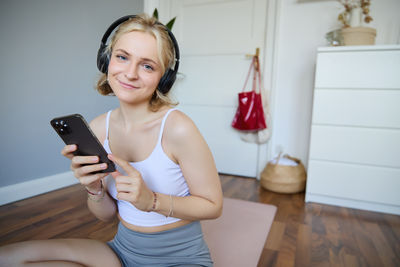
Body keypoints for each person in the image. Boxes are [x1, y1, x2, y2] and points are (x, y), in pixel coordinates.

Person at [0, 14, 223, 267]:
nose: (130, 73)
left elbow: (213, 206)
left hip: (179, 259)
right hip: (122, 251)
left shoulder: (177, 128)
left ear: (164, 78)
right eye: (122, 57)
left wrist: (151, 201)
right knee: (9, 257)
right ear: (106, 60)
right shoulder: (99, 128)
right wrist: (94, 188)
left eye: (147, 65)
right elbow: (106, 217)